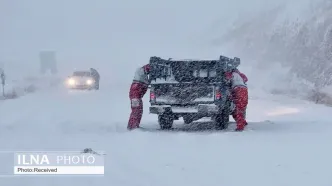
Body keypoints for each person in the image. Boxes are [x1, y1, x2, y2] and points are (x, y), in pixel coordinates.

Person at [127, 64, 151, 130]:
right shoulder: (140, 71)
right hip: (135, 97)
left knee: (138, 111)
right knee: (136, 111)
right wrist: (152, 67)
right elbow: (146, 69)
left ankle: (133, 125)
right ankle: (133, 127)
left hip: (136, 97)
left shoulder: (142, 77)